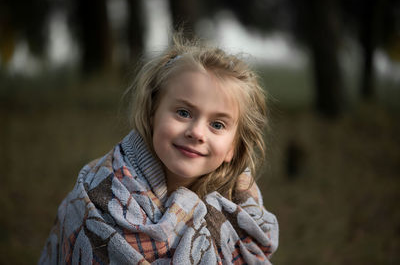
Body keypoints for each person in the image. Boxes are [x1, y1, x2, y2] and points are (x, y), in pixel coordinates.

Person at [39, 34, 279, 264]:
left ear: (233, 149)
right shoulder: (100, 197)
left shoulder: (242, 213)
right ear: (152, 112)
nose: (196, 132)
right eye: (183, 112)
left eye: (217, 125)